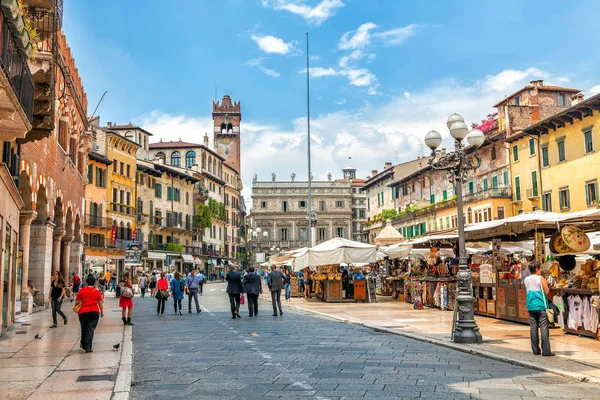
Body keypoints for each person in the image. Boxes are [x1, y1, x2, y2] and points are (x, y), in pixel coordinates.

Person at [524, 261, 554, 357]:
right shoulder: (540, 278)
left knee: (533, 328)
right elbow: (547, 291)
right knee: (544, 329)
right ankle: (546, 351)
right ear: (537, 269)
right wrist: (547, 283)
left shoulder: (526, 279)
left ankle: (536, 350)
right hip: (541, 306)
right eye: (540, 268)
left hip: (531, 306)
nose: (541, 270)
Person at [75, 275, 104, 353]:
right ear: (94, 283)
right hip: (94, 312)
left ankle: (83, 343)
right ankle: (88, 347)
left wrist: (76, 309)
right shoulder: (97, 292)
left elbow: (77, 302)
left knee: (84, 328)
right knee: (91, 329)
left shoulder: (81, 291)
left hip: (83, 312)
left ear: (87, 283)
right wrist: (102, 312)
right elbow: (100, 303)